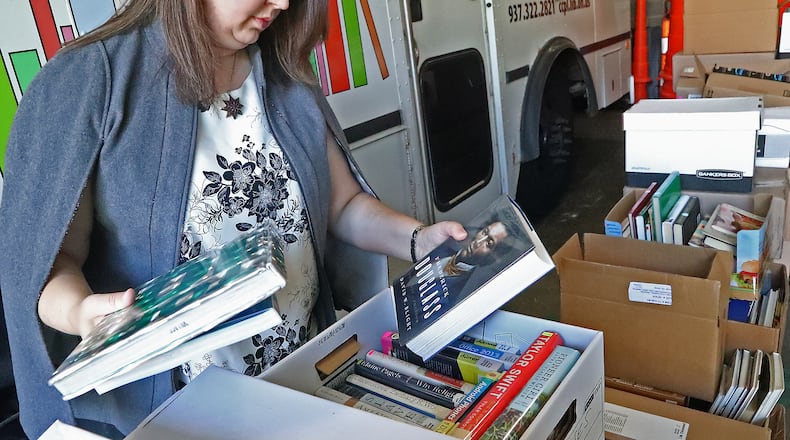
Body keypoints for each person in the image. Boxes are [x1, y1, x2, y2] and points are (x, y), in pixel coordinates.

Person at [0, 1, 467, 437]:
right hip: (180, 418)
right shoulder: (92, 79)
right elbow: (44, 265)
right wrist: (82, 313)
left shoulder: (282, 72)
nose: (283, 4)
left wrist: (419, 239)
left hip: (300, 380)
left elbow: (342, 206)